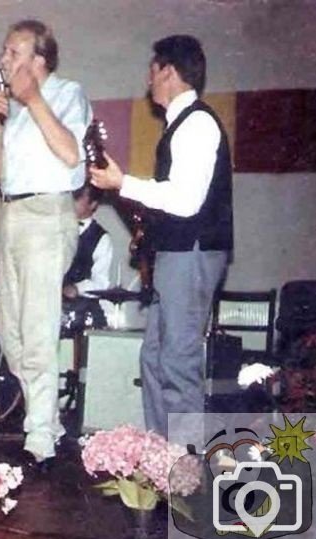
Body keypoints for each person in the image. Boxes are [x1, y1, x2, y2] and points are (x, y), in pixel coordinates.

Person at [90, 35, 233, 437]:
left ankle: (184, 473)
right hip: (178, 253)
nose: (148, 81)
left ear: (168, 71)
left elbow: (186, 202)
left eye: (152, 72)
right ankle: (161, 457)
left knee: (176, 363)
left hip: (191, 254)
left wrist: (124, 183)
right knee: (154, 359)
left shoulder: (198, 124)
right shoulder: (181, 126)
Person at [0, 19, 92, 470]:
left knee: (38, 329)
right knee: (13, 335)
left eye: (12, 52)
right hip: (11, 216)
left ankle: (40, 439)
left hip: (48, 215)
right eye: (4, 52)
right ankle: (50, 424)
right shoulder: (13, 108)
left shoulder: (67, 93)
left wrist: (34, 99)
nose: (3, 60)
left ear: (38, 60)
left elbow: (72, 156)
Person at [61, 183, 113, 333]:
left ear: (93, 204)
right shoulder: (54, 229)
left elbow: (101, 282)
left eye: (77, 197)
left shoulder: (101, 238)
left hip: (81, 312)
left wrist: (77, 288)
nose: (70, 201)